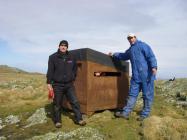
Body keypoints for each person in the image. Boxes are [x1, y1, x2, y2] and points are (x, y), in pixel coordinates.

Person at [109, 33, 157, 121]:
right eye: (128, 38)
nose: (130, 39)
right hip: (136, 77)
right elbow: (123, 56)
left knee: (147, 95)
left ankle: (145, 114)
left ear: (135, 37)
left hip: (146, 76)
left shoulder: (143, 46)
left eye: (131, 38)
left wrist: (154, 67)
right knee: (132, 95)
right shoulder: (130, 50)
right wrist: (113, 54)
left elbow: (151, 56)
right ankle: (126, 113)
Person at [46, 40, 86, 128]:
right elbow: (50, 71)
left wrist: (73, 77)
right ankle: (57, 121)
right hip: (57, 85)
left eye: (65, 46)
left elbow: (75, 69)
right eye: (62, 45)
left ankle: (79, 119)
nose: (63, 47)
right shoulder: (53, 57)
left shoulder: (72, 57)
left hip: (69, 85)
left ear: (67, 47)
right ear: (59, 46)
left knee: (75, 102)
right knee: (57, 104)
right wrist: (49, 83)